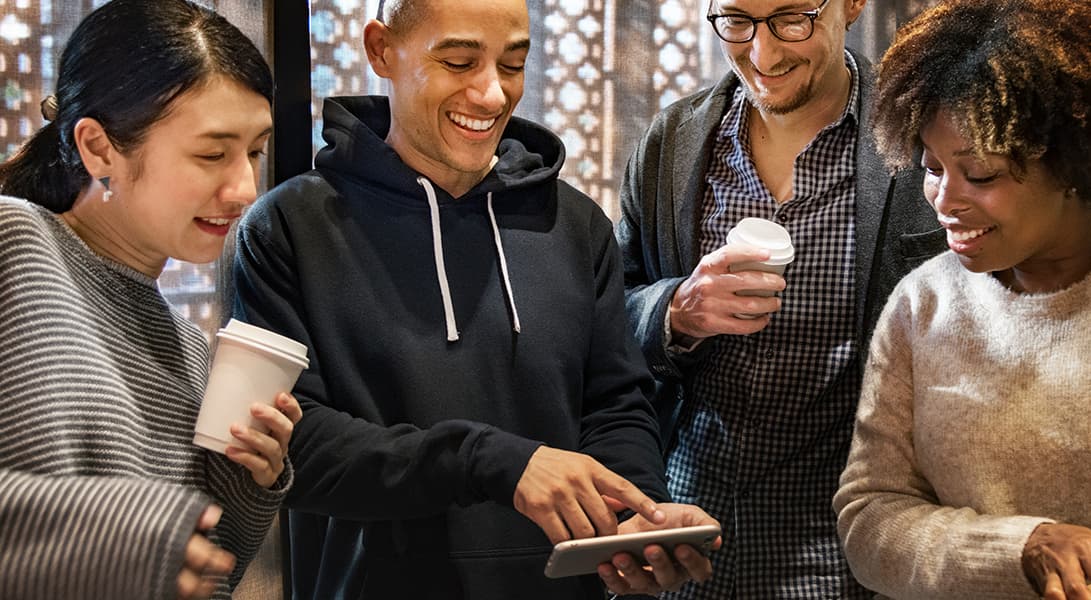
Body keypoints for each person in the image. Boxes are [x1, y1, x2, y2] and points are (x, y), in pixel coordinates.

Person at [230, 0, 721, 598]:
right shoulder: (288, 228)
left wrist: (632, 517)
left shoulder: (574, 226)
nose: (491, 96)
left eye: (512, 65)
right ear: (381, 50)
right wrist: (492, 461)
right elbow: (294, 446)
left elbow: (615, 402)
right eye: (459, 61)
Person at [616, 0, 952, 597]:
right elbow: (609, 314)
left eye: (791, 18)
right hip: (684, 539)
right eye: (737, 20)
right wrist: (676, 310)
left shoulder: (923, 143)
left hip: (843, 555)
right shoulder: (673, 141)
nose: (763, 54)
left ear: (851, 6)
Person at [0, 1, 302, 599]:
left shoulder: (193, 353)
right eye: (212, 154)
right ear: (99, 148)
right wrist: (125, 529)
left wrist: (244, 483)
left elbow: (199, 580)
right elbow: (127, 547)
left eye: (256, 152)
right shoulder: (16, 245)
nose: (245, 188)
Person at [833, 1, 1091, 598]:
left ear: (1072, 161)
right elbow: (871, 519)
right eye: (930, 167)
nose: (945, 201)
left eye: (980, 174)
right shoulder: (923, 305)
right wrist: (1021, 548)